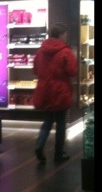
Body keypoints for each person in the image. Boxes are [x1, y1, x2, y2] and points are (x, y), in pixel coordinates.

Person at [32, 23, 78, 163]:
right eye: (65, 34)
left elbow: (35, 69)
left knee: (47, 121)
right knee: (61, 124)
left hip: (45, 90)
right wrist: (75, 58)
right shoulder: (65, 51)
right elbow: (72, 71)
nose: (66, 37)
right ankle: (59, 153)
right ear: (61, 34)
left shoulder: (41, 51)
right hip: (60, 91)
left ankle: (39, 144)